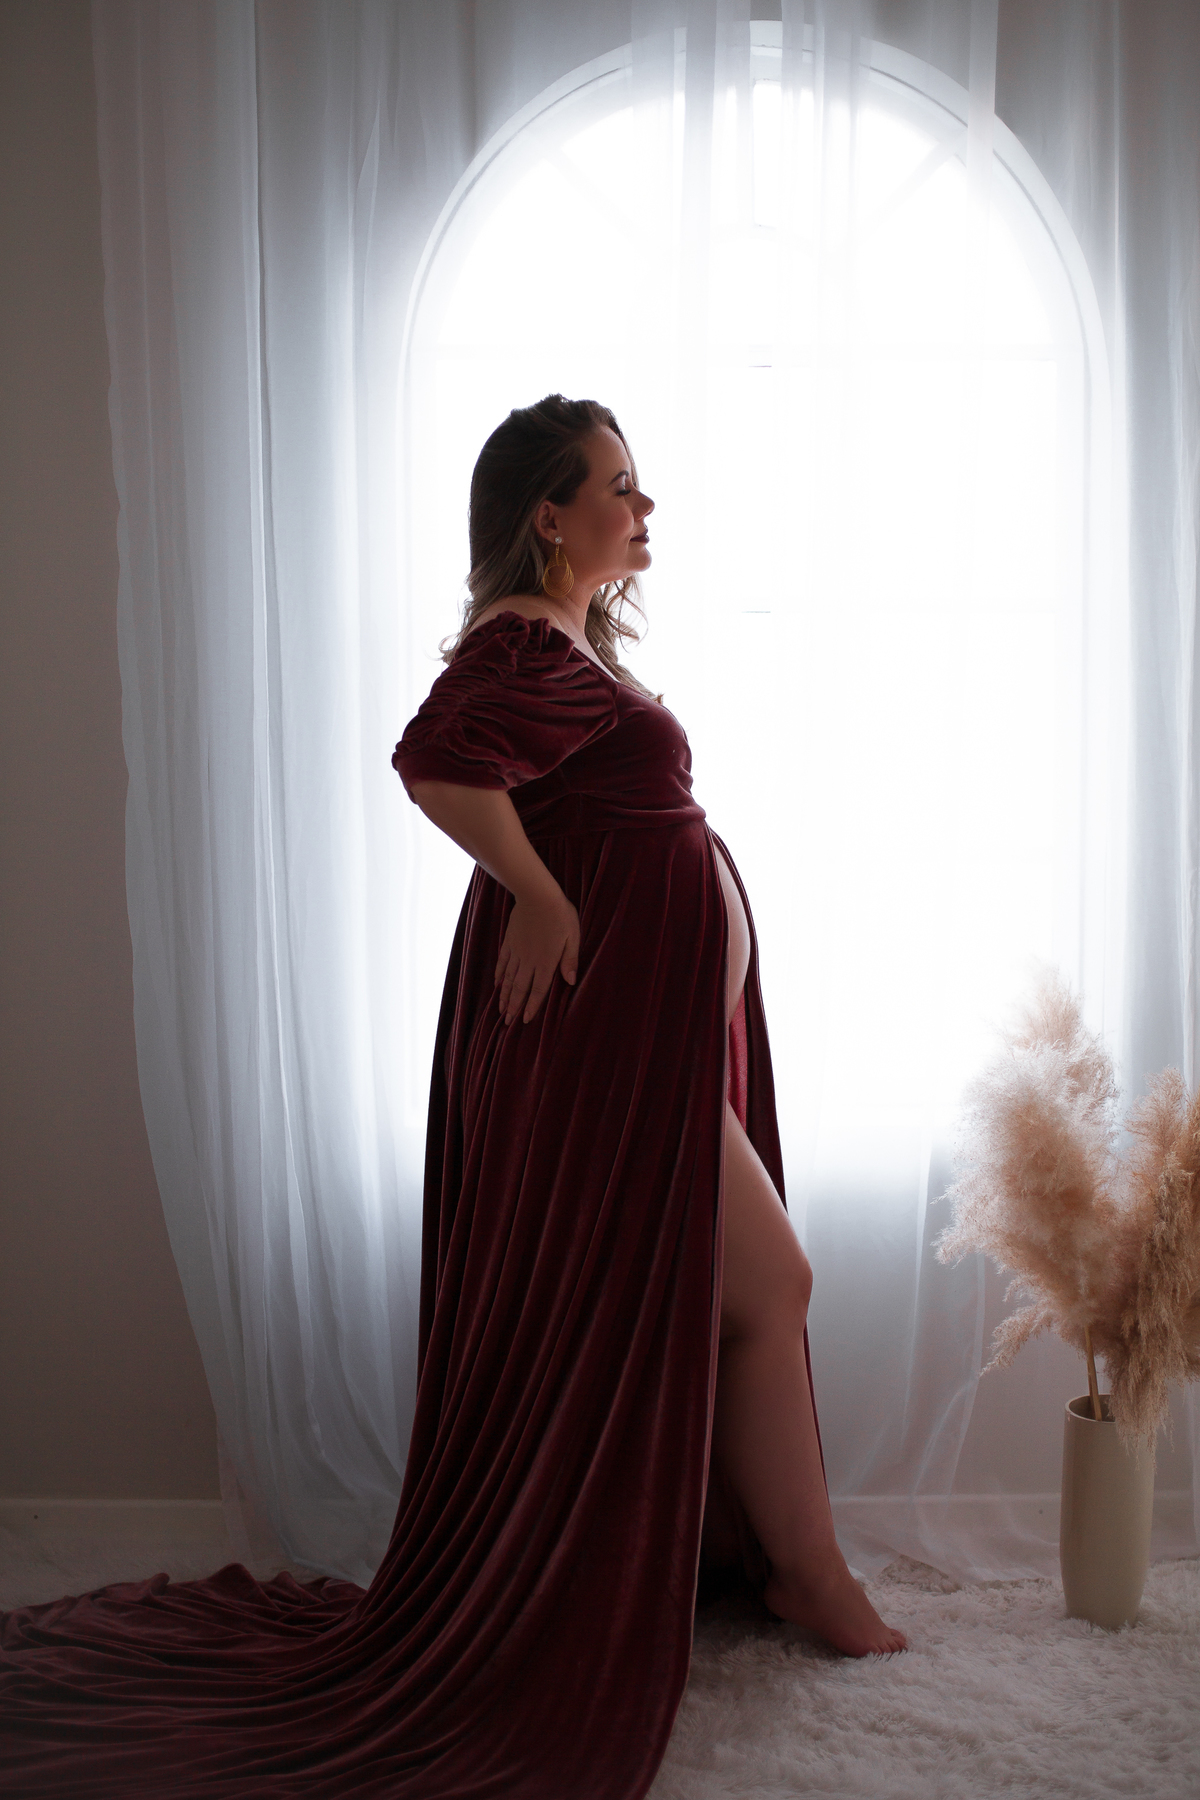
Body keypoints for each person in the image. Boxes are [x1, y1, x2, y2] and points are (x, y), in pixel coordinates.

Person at [0, 393, 903, 1800]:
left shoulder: (566, 643)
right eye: (619, 484)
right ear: (549, 512)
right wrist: (538, 892)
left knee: (750, 1285)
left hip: (637, 1041)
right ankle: (809, 1572)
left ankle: (790, 1563)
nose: (644, 506)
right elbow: (433, 760)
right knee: (769, 1276)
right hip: (598, 1046)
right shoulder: (520, 637)